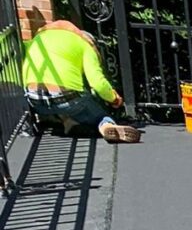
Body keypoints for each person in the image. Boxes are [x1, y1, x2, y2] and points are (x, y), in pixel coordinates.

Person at [22, 14, 140, 143]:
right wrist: (114, 99)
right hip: (68, 100)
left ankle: (69, 124)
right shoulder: (84, 44)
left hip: (35, 102)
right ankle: (107, 126)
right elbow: (97, 83)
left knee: (60, 104)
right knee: (99, 115)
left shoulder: (37, 40)